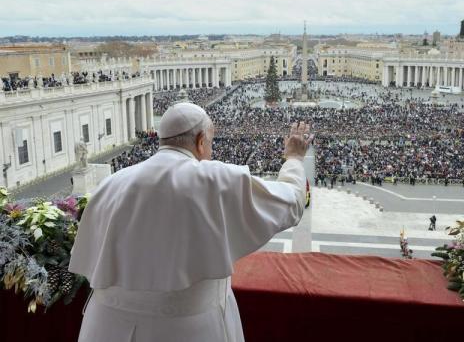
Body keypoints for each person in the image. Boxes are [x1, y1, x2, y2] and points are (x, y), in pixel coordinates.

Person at [69, 102, 313, 342]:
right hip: (187, 330)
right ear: (200, 141)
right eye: (210, 143)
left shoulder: (111, 184)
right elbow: (291, 202)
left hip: (106, 327)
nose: (211, 152)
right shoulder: (213, 179)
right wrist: (294, 158)